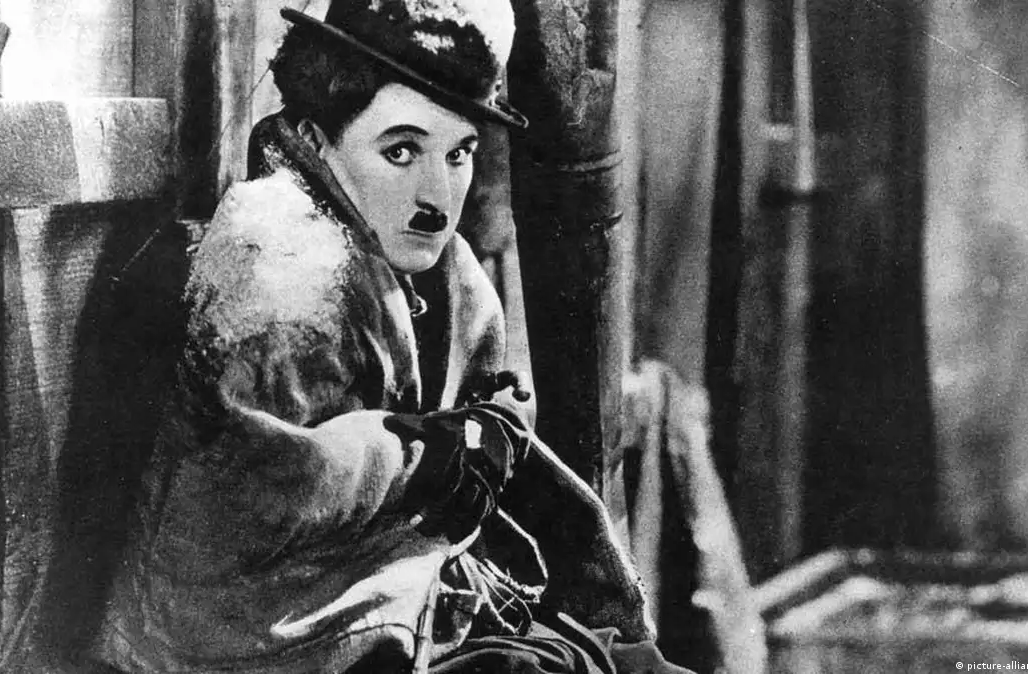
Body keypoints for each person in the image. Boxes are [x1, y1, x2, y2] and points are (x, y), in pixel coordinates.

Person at [93, 1, 694, 672]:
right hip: (251, 638)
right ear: (317, 137)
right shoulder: (282, 266)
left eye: (459, 153)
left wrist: (483, 434)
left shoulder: (438, 267)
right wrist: (428, 453)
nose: (437, 195)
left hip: (394, 597)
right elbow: (235, 507)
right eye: (401, 151)